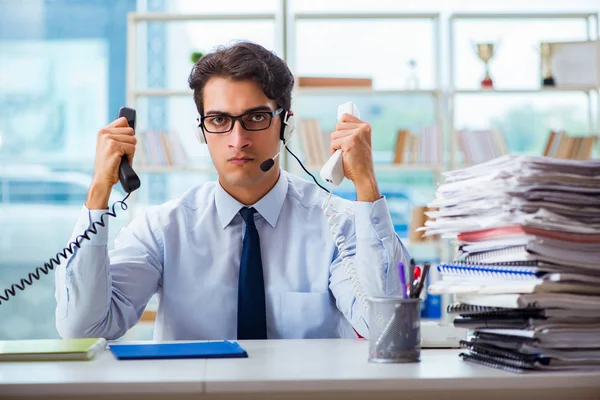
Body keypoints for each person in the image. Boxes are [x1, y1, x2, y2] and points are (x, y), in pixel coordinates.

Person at [55, 41, 411, 341]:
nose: (238, 140)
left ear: (285, 125)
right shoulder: (163, 228)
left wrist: (366, 185)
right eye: (219, 120)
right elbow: (84, 328)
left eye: (256, 118)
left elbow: (387, 330)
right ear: (202, 130)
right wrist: (99, 189)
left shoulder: (337, 223)